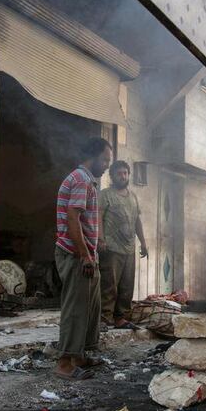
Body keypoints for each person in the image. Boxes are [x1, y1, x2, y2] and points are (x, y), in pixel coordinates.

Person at [53, 137, 112, 379]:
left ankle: (79, 355)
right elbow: (72, 218)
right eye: (106, 159)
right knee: (76, 309)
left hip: (87, 253)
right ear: (94, 156)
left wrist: (94, 249)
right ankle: (64, 363)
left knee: (90, 307)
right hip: (77, 254)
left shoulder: (89, 181)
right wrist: (85, 255)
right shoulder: (81, 180)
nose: (108, 164)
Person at [98, 160, 148, 329]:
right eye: (119, 173)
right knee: (109, 284)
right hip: (111, 248)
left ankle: (121, 317)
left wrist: (143, 242)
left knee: (127, 285)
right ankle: (105, 317)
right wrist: (100, 239)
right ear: (112, 176)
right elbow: (98, 217)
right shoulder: (105, 194)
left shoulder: (133, 196)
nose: (123, 176)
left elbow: (137, 220)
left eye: (125, 173)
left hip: (129, 248)